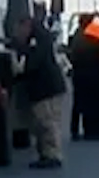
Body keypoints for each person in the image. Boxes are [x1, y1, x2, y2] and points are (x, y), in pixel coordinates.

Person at [10, 12, 67, 169]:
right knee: (40, 124)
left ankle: (53, 154)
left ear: (26, 26)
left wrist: (19, 69)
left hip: (47, 89)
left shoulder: (40, 41)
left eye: (19, 30)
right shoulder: (40, 38)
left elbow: (33, 63)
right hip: (42, 88)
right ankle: (45, 153)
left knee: (48, 122)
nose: (18, 34)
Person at [67, 13, 99, 140]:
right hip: (94, 75)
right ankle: (96, 131)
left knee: (80, 103)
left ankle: (77, 130)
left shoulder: (76, 36)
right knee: (96, 104)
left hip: (80, 75)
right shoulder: (92, 37)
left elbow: (72, 56)